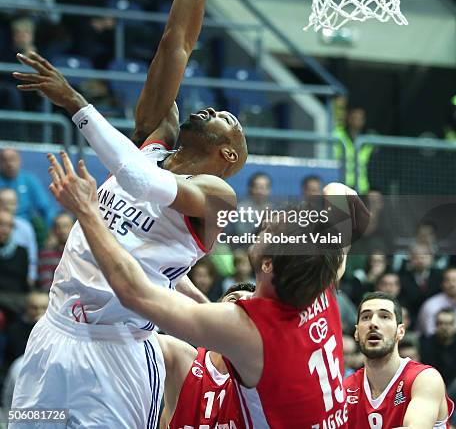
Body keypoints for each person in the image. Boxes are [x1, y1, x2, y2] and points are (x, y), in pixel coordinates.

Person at [11, 0, 248, 429]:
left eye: (226, 117)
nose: (210, 108)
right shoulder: (155, 138)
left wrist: (76, 103)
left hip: (116, 355)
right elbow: (177, 42)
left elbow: (138, 181)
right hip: (53, 333)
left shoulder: (216, 196)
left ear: (228, 153)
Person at [46, 157, 370, 428]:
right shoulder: (321, 277)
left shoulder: (249, 329)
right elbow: (340, 193)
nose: (262, 226)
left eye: (269, 231)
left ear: (269, 264)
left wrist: (87, 212)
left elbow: (135, 293)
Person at [344, 291, 454, 428]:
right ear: (356, 333)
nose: (373, 323)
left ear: (400, 331)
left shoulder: (425, 378)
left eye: (384, 316)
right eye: (366, 317)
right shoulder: (346, 388)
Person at [159, 282, 255, 429]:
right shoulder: (182, 358)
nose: (240, 303)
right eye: (232, 299)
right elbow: (134, 334)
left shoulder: (260, 382)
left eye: (250, 304)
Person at [0, 148, 56, 228]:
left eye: (13, 159)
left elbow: (45, 208)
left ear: (19, 161)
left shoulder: (29, 180)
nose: (9, 163)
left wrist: (52, 229)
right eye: (5, 160)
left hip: (24, 226)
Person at [420, 308, 456, 388]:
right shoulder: (427, 344)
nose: (444, 327)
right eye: (440, 323)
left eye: (449, 324)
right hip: (433, 385)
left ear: (454, 325)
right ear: (435, 325)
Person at [417, 268, 456, 336]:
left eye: (455, 280)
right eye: (448, 280)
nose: (452, 284)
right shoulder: (431, 305)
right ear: (442, 284)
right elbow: (430, 333)